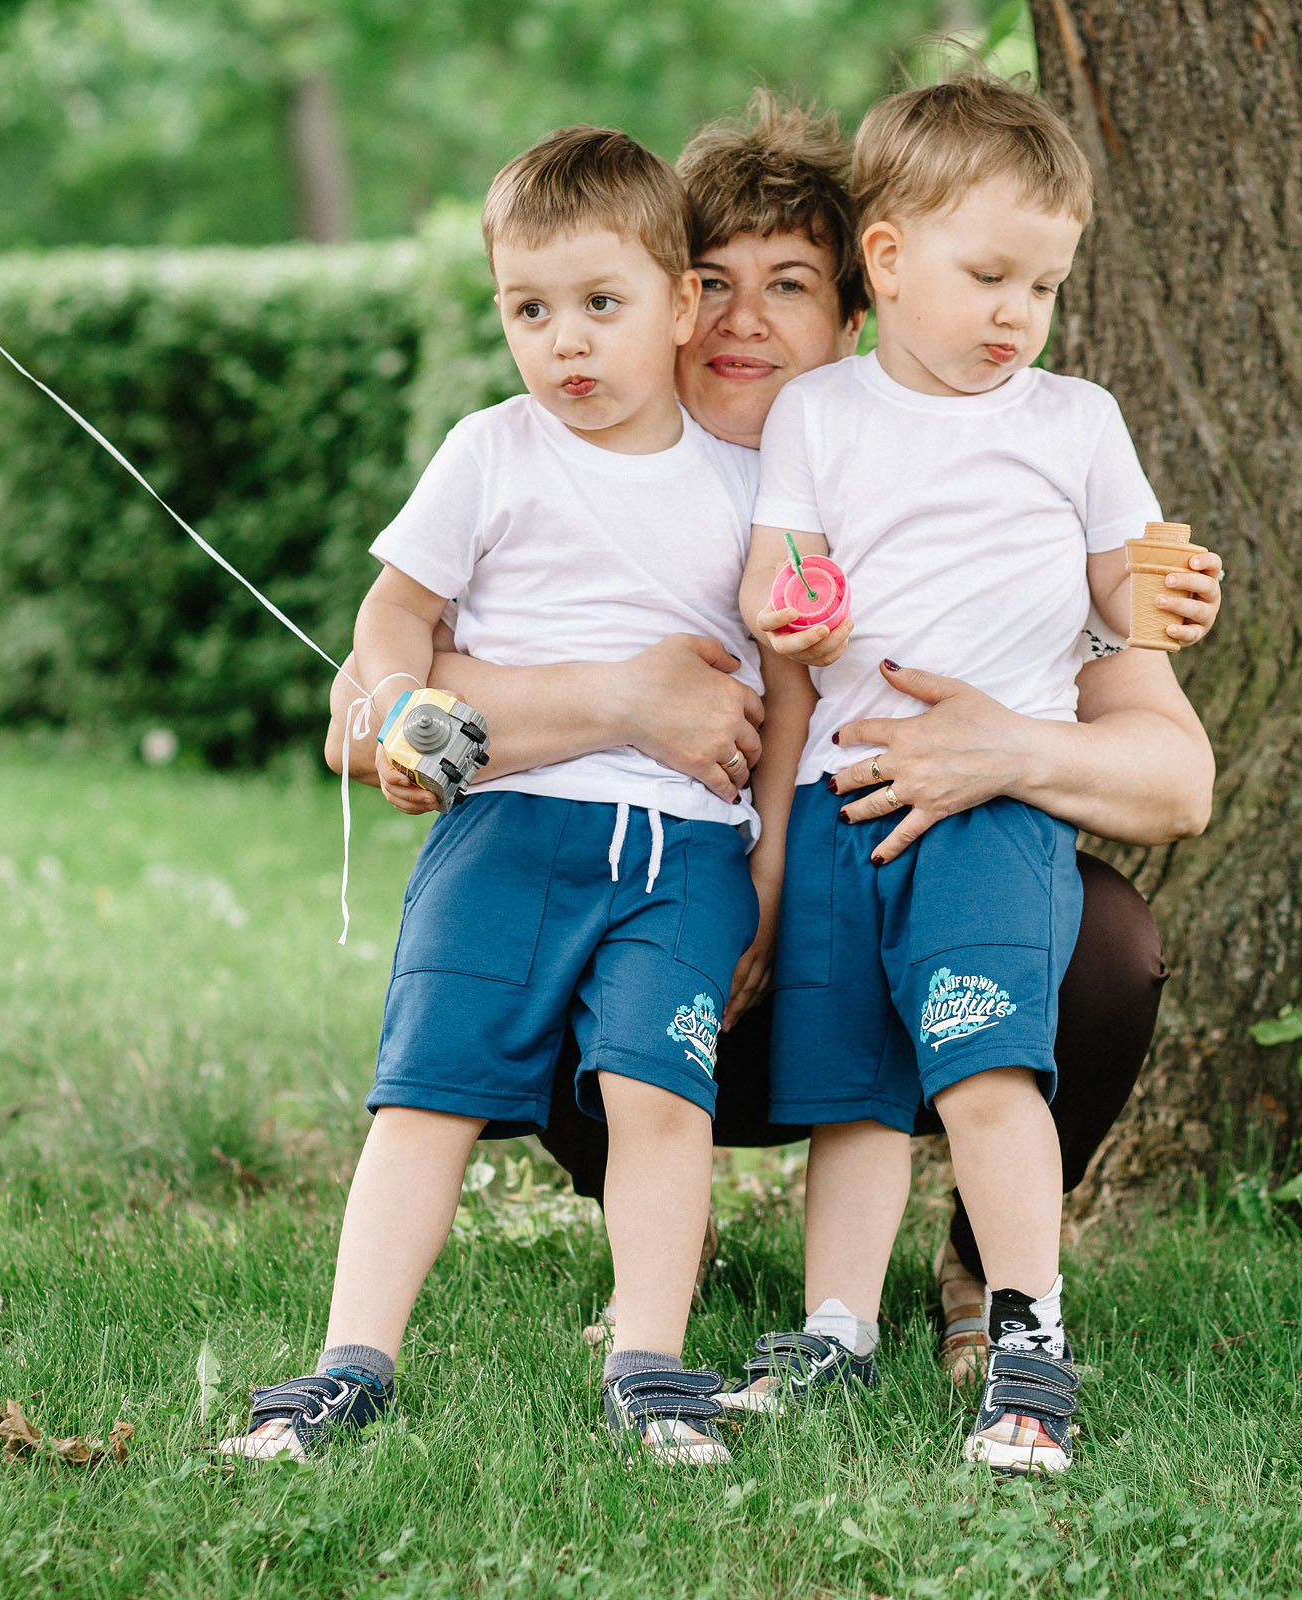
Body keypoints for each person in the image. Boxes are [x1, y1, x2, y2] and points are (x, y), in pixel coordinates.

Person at [323, 89, 1219, 1384]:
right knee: (596, 919)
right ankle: (658, 1254)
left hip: (892, 885)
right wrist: (627, 699)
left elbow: (1177, 778)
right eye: (711, 279)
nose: (744, 319)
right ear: (668, 300)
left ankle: (987, 1263)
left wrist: (1005, 750)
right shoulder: (584, 470)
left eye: (787, 284)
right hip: (669, 908)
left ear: (856, 310)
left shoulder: (948, 482)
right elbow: (367, 710)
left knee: (1110, 944)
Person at [219, 125, 761, 1467]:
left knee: (657, 1095)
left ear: (681, 306)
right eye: (531, 309)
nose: (566, 343)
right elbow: (395, 614)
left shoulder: (748, 486)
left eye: (600, 304)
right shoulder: (492, 452)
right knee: (428, 1096)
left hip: (680, 850)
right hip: (505, 827)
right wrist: (401, 706)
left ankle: (650, 1362)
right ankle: (351, 1362)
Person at [723, 71, 1222, 1476]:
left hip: (995, 806)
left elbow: (1124, 585)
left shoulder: (1071, 421)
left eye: (1045, 285)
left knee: (987, 1055)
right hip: (841, 799)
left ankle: (1026, 1332)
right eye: (990, 274)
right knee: (851, 1083)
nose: (1019, 312)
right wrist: (791, 608)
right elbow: (781, 561)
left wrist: (1159, 603)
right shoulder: (821, 412)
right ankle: (836, 1328)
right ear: (886, 257)